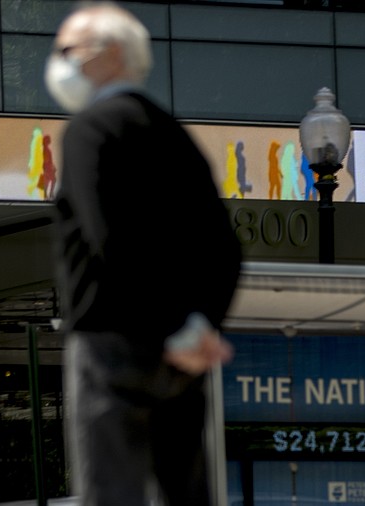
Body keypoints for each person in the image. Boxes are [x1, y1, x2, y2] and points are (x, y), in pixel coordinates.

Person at [44, 3, 242, 506]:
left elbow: (109, 238)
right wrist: (199, 327)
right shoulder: (172, 133)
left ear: (109, 54)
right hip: (182, 357)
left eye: (67, 50)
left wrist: (171, 325)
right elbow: (224, 245)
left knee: (112, 489)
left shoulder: (91, 129)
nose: (58, 62)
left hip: (112, 339)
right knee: (184, 488)